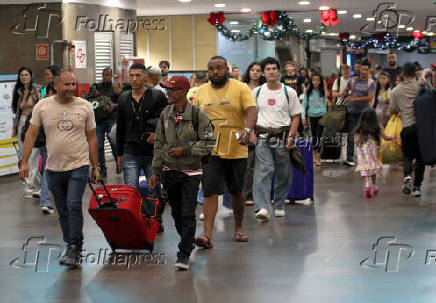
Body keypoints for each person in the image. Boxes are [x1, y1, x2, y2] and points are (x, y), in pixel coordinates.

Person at [19, 69, 100, 267]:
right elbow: (30, 134)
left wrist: (95, 166)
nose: (71, 88)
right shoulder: (43, 106)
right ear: (56, 86)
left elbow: (92, 138)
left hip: (78, 165)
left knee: (73, 205)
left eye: (73, 84)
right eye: (66, 85)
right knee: (62, 210)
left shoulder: (85, 106)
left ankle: (75, 247)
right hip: (53, 168)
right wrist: (24, 162)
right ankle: (70, 244)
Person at [149, 76, 215, 270]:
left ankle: (184, 253)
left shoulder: (197, 115)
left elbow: (209, 142)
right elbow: (159, 144)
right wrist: (155, 171)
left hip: (191, 173)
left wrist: (185, 151)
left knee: (187, 213)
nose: (168, 93)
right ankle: (188, 241)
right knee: (177, 214)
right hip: (170, 172)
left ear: (183, 92)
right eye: (167, 90)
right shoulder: (165, 114)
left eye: (172, 90)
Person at [194, 56, 257, 248]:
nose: (215, 72)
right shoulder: (201, 91)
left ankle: (238, 227)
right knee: (210, 190)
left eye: (219, 68)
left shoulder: (240, 88)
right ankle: (207, 235)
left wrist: (248, 130)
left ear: (226, 69)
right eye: (211, 68)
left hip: (236, 149)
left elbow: (252, 110)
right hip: (211, 150)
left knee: (237, 191)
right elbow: (195, 117)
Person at [252, 57, 302, 220]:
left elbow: (296, 116)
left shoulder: (289, 92)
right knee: (264, 170)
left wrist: (291, 137)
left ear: (279, 71)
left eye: (274, 68)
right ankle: (263, 207)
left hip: (282, 136)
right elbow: (251, 114)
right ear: (263, 73)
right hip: (263, 137)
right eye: (268, 69)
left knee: (284, 172)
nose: (271, 72)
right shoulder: (257, 92)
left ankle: (279, 204)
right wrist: (251, 133)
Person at [116, 63, 168, 191]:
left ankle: (154, 211)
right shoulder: (123, 98)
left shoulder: (157, 96)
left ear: (145, 77)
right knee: (130, 192)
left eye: (138, 75)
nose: (134, 79)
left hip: (152, 153)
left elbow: (166, 121)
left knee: (154, 192)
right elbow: (120, 127)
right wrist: (119, 153)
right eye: (131, 76)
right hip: (130, 152)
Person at [389, 62, 424, 197]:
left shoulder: (395, 91)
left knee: (407, 155)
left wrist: (400, 109)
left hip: (407, 127)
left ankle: (407, 176)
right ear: (414, 73)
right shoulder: (421, 87)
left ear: (402, 74)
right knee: (420, 158)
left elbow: (392, 110)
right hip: (421, 128)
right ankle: (417, 187)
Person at [12, 66, 41, 198]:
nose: (24, 77)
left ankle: (29, 184)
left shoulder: (37, 89)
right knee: (24, 155)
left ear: (31, 76)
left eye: (26, 75)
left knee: (33, 154)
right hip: (21, 124)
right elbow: (16, 111)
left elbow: (42, 106)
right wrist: (15, 127)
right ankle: (38, 185)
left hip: (33, 123)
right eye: (21, 75)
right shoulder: (18, 91)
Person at [341, 59, 376, 167]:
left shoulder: (371, 83)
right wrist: (345, 93)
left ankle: (366, 157)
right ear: (359, 69)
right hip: (352, 111)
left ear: (369, 70)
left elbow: (370, 97)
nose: (364, 71)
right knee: (351, 134)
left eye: (366, 69)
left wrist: (355, 99)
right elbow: (345, 91)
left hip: (365, 113)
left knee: (365, 135)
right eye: (362, 69)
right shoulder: (353, 80)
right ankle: (350, 157)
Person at [354, 107, 395, 198]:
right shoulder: (377, 125)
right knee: (373, 166)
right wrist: (392, 137)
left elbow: (356, 139)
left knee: (365, 166)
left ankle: (367, 185)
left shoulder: (360, 126)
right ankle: (374, 186)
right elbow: (385, 137)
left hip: (362, 148)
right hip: (372, 147)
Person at [89, 67, 120, 177]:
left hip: (111, 119)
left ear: (111, 76)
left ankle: (118, 163)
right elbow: (89, 99)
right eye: (104, 75)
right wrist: (93, 92)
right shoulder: (97, 86)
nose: (105, 77)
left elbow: (121, 102)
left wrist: (114, 106)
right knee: (99, 146)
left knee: (113, 143)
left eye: (107, 75)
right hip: (98, 121)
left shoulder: (115, 88)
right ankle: (103, 168)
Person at [302, 72, 328, 166]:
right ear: (311, 81)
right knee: (314, 136)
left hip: (321, 116)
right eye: (314, 80)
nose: (316, 82)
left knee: (318, 136)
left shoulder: (323, 92)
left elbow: (325, 105)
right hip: (312, 117)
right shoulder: (308, 92)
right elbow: (304, 105)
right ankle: (314, 155)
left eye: (317, 80)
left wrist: (326, 116)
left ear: (320, 81)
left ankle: (318, 157)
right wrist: (303, 117)